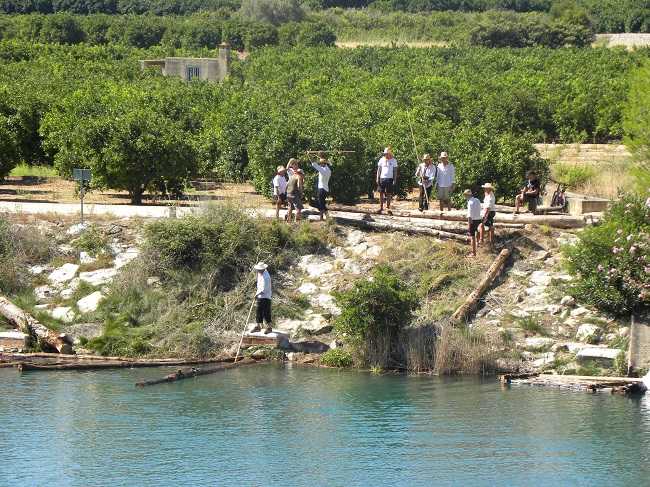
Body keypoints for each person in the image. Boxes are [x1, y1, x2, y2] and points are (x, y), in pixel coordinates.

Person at [250, 262, 272, 334]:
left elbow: (264, 289)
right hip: (260, 295)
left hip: (266, 296)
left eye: (260, 270)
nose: (258, 271)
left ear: (263, 269)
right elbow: (259, 285)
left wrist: (256, 295)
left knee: (266, 312)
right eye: (258, 270)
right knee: (258, 311)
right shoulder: (259, 274)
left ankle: (269, 327)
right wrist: (257, 294)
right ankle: (258, 326)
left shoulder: (266, 277)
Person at [376, 146, 398, 214]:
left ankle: (388, 208)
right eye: (385, 153)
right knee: (381, 193)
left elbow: (395, 171)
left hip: (390, 179)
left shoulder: (394, 160)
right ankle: (381, 207)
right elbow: (379, 170)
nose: (386, 154)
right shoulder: (381, 159)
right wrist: (377, 178)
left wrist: (394, 179)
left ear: (390, 153)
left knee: (389, 193)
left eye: (387, 153)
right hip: (382, 178)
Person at [311, 152, 332, 220]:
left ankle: (327, 216)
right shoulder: (329, 170)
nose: (320, 164)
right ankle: (321, 217)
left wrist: (309, 155)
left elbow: (314, 164)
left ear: (323, 164)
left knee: (321, 204)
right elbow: (329, 163)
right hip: (326, 189)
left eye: (320, 163)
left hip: (321, 189)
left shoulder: (322, 170)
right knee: (322, 203)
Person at [464, 189, 482, 257]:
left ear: (466, 195)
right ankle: (477, 246)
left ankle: (473, 253)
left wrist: (469, 225)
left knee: (472, 237)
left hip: (473, 220)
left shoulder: (470, 202)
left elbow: (469, 215)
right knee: (477, 233)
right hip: (478, 219)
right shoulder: (477, 200)